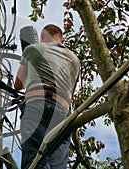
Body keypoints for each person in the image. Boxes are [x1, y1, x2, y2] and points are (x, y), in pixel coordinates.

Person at [14, 24, 80, 169]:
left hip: (37, 105)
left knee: (35, 158)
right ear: (61, 40)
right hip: (63, 112)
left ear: (42, 37)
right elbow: (71, 93)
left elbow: (18, 84)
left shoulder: (33, 49)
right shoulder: (75, 60)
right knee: (58, 164)